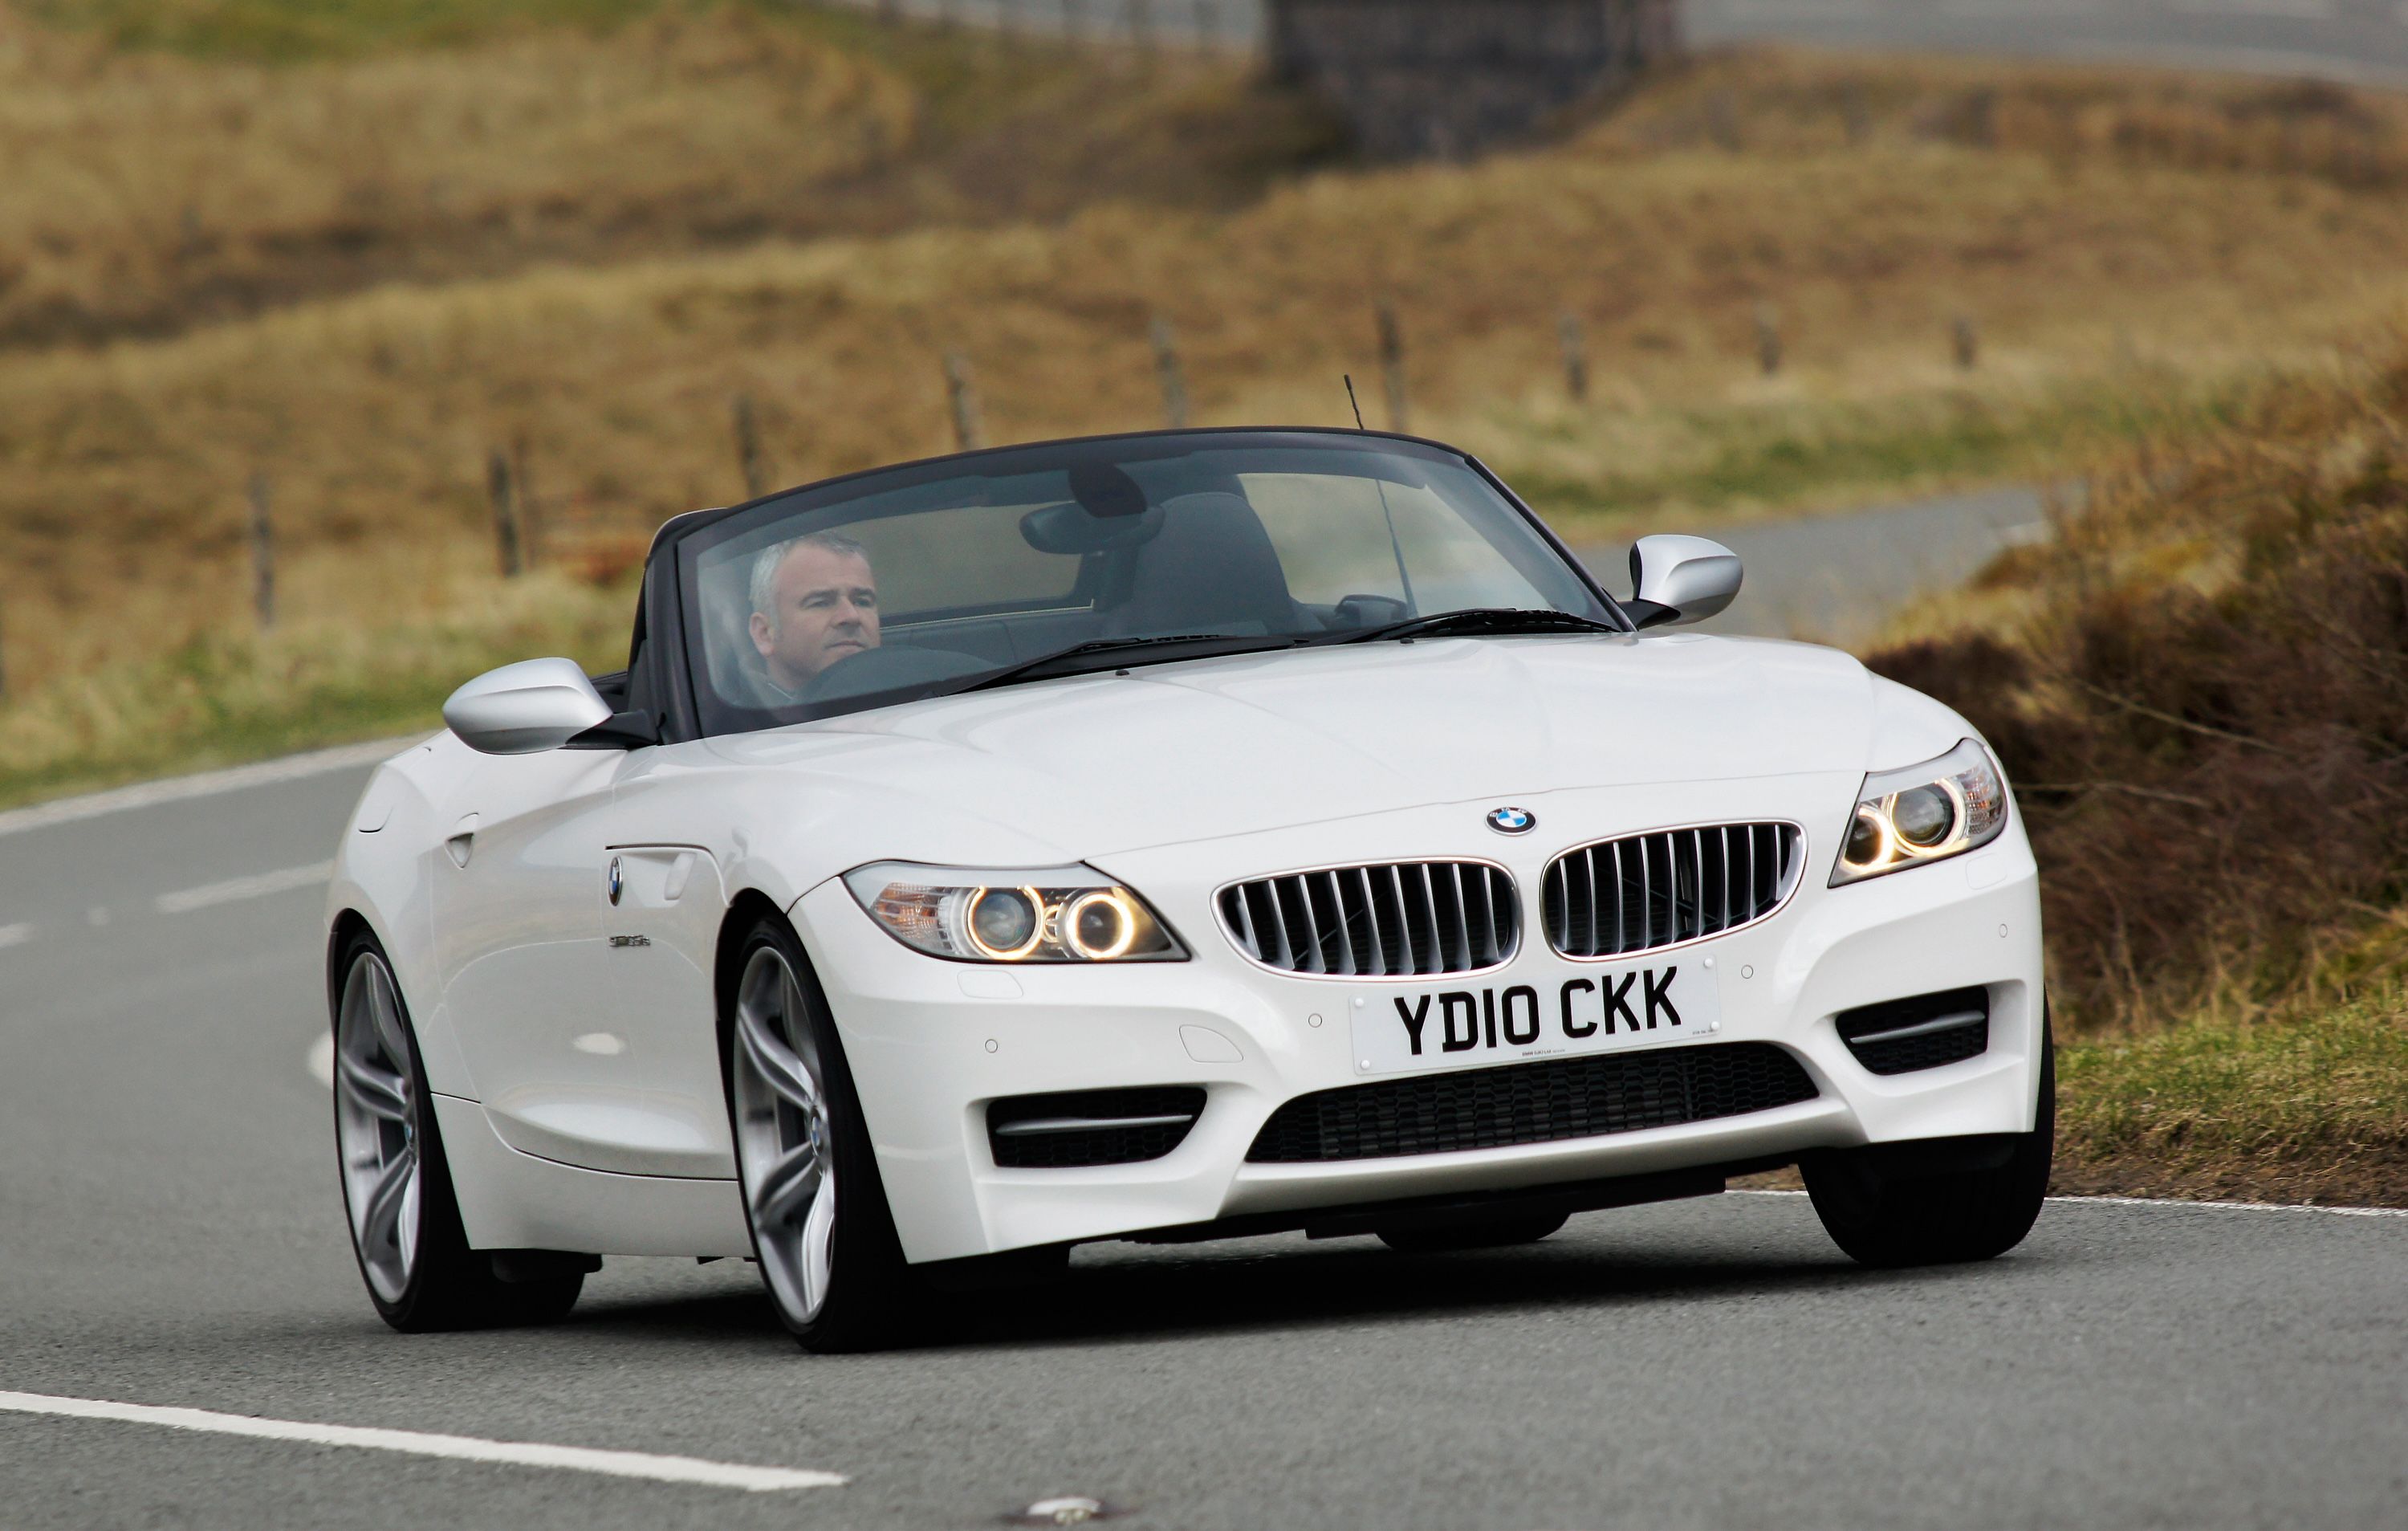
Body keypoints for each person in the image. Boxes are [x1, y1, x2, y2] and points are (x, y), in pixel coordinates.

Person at [747, 530, 881, 700]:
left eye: (862, 602)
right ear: (764, 633)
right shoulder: (736, 716)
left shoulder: (910, 690)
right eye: (821, 603)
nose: (852, 616)